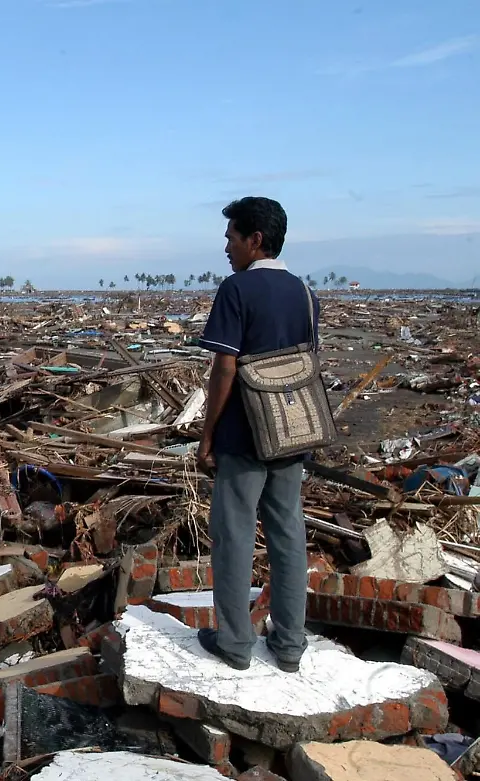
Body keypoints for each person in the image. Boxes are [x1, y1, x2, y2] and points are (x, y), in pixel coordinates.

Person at [195, 196, 318, 673]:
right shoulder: (306, 294)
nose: (226, 247)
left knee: (234, 535)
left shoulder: (236, 290)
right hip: (292, 433)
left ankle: (234, 643)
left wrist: (208, 437)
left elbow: (225, 368)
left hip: (244, 437)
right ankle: (289, 646)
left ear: (255, 240)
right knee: (288, 534)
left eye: (231, 237)